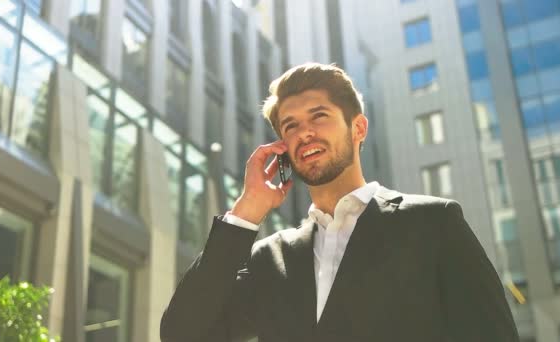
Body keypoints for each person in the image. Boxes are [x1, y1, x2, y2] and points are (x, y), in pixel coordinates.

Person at [160, 63, 519, 342]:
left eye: (319, 116)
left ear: (358, 128)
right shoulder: (270, 259)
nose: (305, 133)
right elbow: (182, 333)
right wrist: (247, 210)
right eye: (290, 126)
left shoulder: (433, 223)